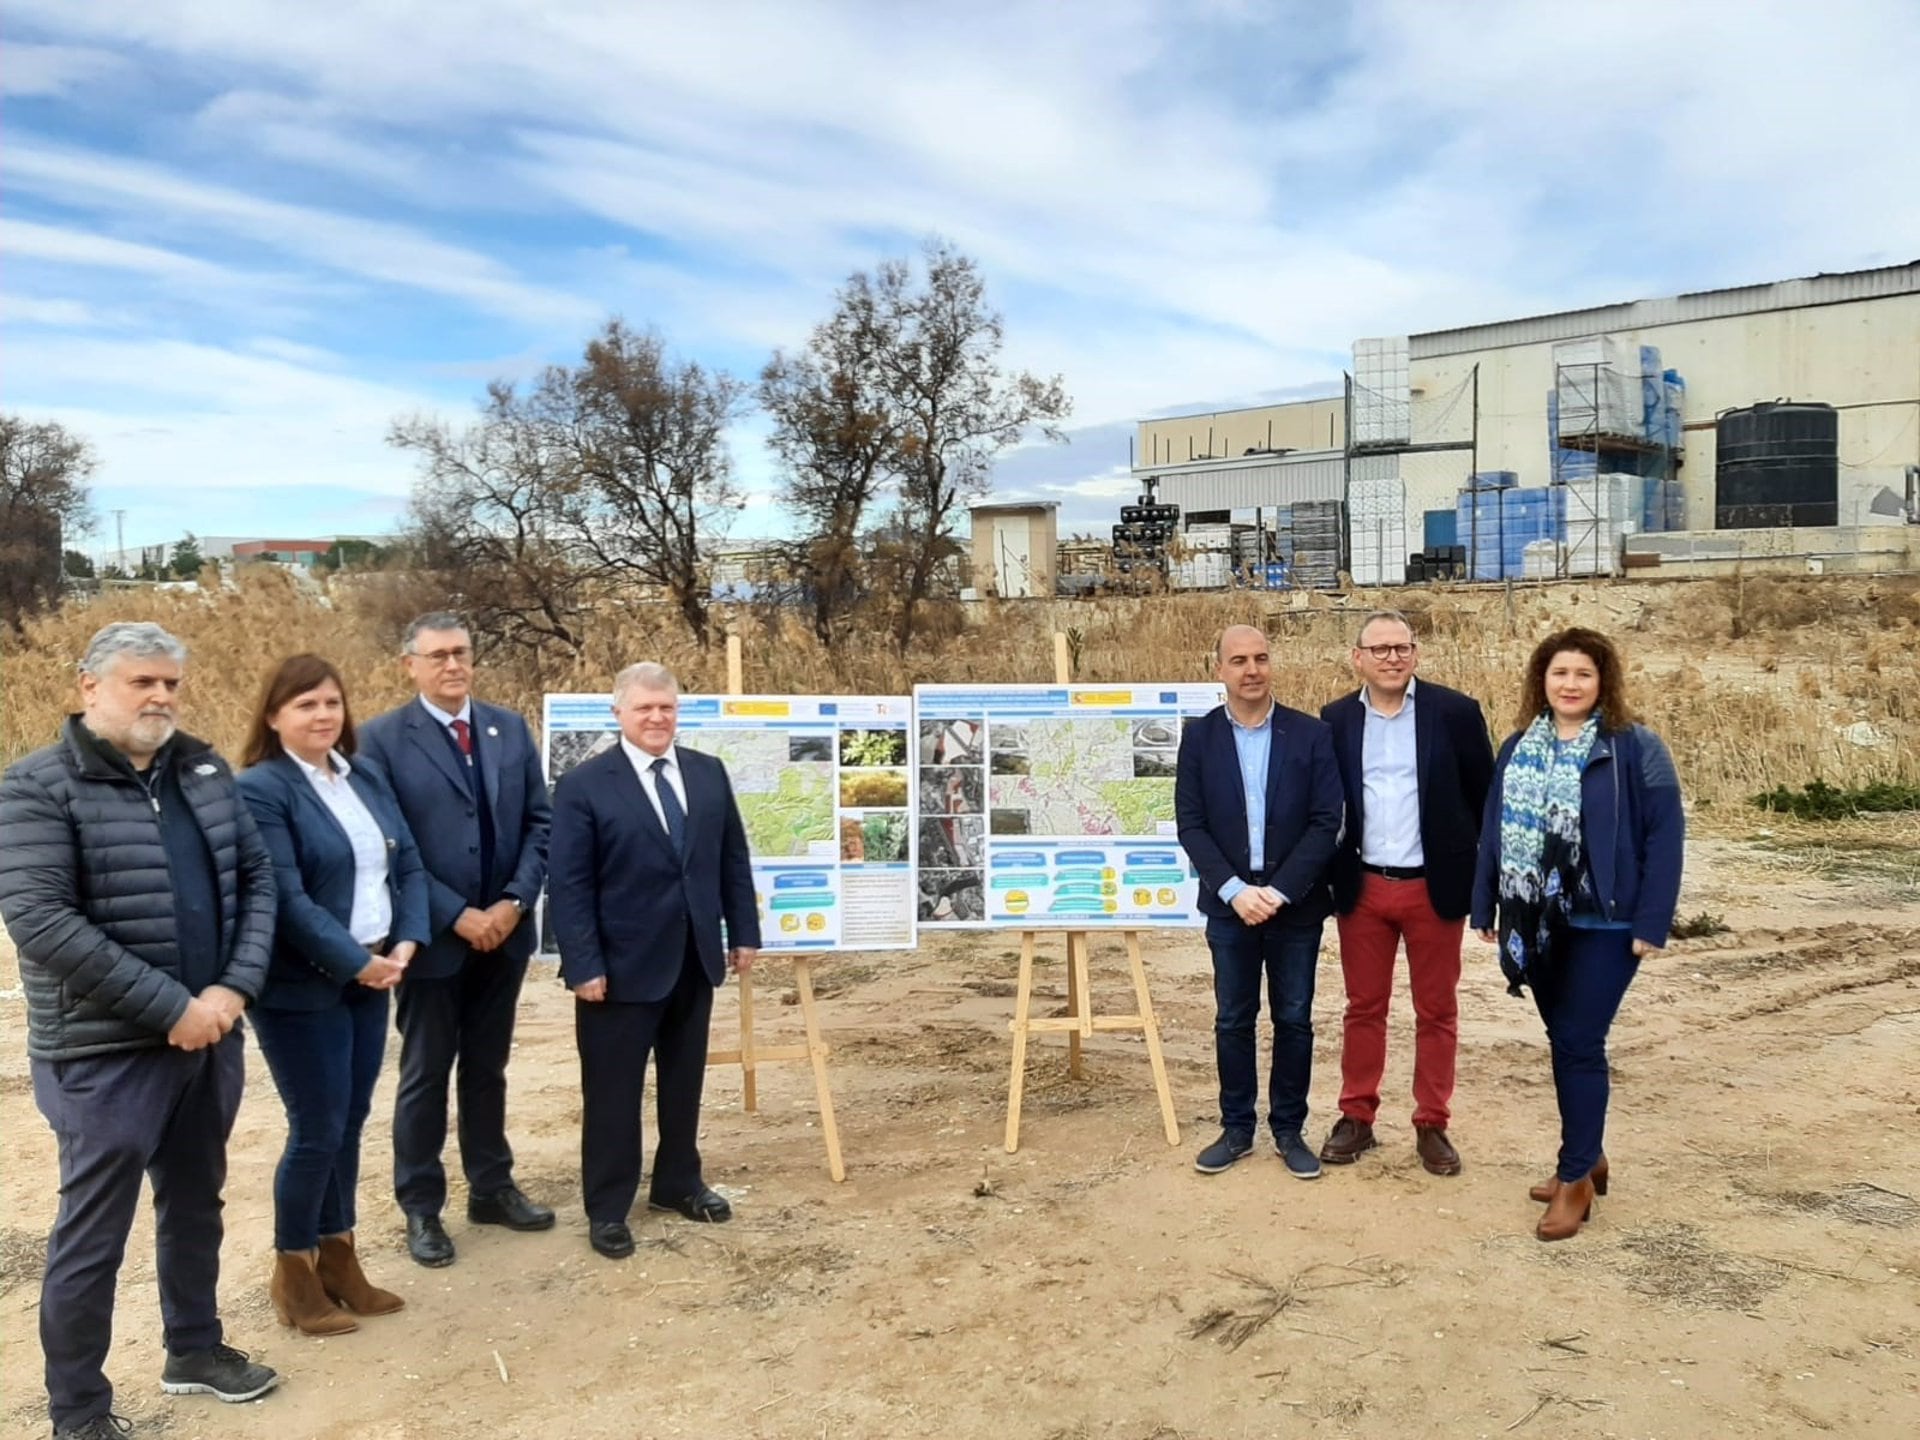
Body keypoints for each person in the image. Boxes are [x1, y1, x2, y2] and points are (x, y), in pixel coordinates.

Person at [0, 622, 280, 1439]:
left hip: (211, 1037)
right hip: (104, 1054)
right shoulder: (35, 787)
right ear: (89, 689)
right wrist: (174, 1009)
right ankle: (78, 1411)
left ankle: (193, 1348)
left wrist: (232, 989)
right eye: (141, 683)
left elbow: (257, 878)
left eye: (170, 684)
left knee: (196, 1204)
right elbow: (41, 919)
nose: (160, 697)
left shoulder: (201, 768)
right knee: (93, 1234)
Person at [236, 655, 431, 1335]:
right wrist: (355, 963)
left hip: (374, 973)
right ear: (274, 717)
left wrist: (404, 942)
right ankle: (294, 1274)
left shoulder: (363, 774)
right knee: (315, 1127)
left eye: (331, 703)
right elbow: (285, 897)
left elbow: (405, 861)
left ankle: (339, 1259)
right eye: (305, 705)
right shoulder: (261, 789)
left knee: (349, 1121)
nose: (323, 716)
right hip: (301, 984)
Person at [1470, 627, 1684, 1242]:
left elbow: (1665, 837)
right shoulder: (1517, 747)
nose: (1570, 685)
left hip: (1608, 924)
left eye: (1583, 675)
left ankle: (1575, 1179)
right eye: (1560, 673)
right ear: (1543, 679)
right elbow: (1494, 829)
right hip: (1536, 922)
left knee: (1579, 1041)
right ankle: (1587, 1153)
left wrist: (1652, 921)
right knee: (1563, 1040)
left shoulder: (1635, 748)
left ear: (1602, 683)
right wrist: (1486, 904)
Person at [355, 613, 554, 1267]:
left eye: (461, 653)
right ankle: (421, 1205)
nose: (451, 665)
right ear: (408, 665)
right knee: (425, 1072)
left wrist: (513, 902)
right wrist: (456, 914)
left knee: (488, 1069)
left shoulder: (507, 727)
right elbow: (389, 844)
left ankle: (491, 1188)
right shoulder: (382, 741)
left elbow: (539, 822)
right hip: (433, 939)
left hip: (505, 934)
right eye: (436, 655)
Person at [547, 662, 761, 1259]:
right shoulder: (584, 785)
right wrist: (584, 964)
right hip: (617, 970)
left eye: (666, 707)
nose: (656, 718)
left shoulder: (708, 773)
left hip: (693, 958)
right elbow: (569, 884)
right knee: (613, 1093)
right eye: (643, 708)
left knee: (684, 1081)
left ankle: (678, 1183)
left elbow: (731, 861)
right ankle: (609, 1207)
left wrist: (743, 932)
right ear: (618, 713)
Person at [1318, 611, 1495, 1176]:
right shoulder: (1336, 720)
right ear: (1358, 658)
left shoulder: (1456, 714)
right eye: (1380, 649)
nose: (1391, 658)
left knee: (1436, 1010)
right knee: (1363, 1008)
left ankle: (1432, 1123)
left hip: (1433, 887)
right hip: (1364, 886)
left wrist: (1485, 885)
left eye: (1401, 648)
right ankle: (1357, 1117)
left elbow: (1484, 800)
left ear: (1415, 654)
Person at [1175, 624, 1344, 1180]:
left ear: (1272, 664)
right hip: (1229, 907)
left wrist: (1277, 890)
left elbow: (1326, 822)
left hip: (1292, 906)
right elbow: (1192, 825)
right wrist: (1234, 890)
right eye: (1239, 660)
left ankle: (1289, 1129)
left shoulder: (1311, 735)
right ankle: (1237, 1128)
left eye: (1261, 658)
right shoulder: (1199, 738)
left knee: (1294, 1018)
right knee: (1233, 1018)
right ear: (1219, 669)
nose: (1252, 670)